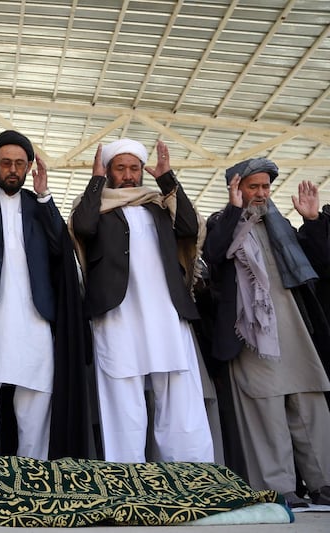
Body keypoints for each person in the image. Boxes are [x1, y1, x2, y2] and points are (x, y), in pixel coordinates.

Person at [0, 130, 92, 460]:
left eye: (19, 164)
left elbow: (60, 247)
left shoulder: (38, 206)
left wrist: (45, 196)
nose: (13, 169)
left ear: (29, 168)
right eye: (6, 163)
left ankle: (32, 479)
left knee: (36, 396)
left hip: (34, 315)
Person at [69, 138, 213, 463]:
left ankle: (192, 474)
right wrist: (95, 182)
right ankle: (127, 479)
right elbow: (84, 228)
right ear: (108, 171)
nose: (129, 175)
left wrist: (167, 178)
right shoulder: (93, 204)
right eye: (120, 168)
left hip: (166, 312)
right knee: (122, 397)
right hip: (117, 313)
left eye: (134, 168)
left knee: (178, 394)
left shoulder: (159, 204)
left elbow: (190, 227)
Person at [202, 157, 330, 508]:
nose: (260, 193)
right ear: (237, 188)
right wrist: (232, 210)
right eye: (252, 186)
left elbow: (321, 263)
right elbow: (214, 255)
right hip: (252, 333)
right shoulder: (220, 222)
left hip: (294, 326)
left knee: (309, 402)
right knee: (266, 407)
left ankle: (324, 483)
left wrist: (312, 219)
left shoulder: (282, 226)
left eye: (264, 187)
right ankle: (279, 486)